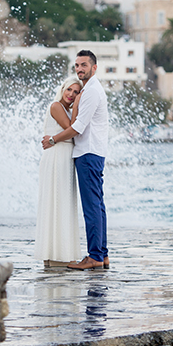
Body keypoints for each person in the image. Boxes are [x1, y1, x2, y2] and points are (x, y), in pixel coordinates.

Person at [42, 50, 109, 270]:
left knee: (92, 207)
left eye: (84, 65)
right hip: (93, 152)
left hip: (88, 153)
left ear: (94, 67)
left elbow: (77, 128)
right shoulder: (90, 90)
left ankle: (95, 256)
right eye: (77, 65)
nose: (80, 69)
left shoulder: (90, 92)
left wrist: (52, 140)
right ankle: (102, 254)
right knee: (97, 206)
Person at [34, 77, 82, 266]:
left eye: (76, 92)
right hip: (56, 158)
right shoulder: (56, 106)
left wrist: (54, 138)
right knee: (55, 203)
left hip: (63, 157)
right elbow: (73, 129)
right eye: (69, 90)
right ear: (63, 89)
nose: (71, 94)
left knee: (63, 204)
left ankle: (60, 254)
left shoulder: (65, 109)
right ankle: (56, 256)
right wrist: (78, 104)